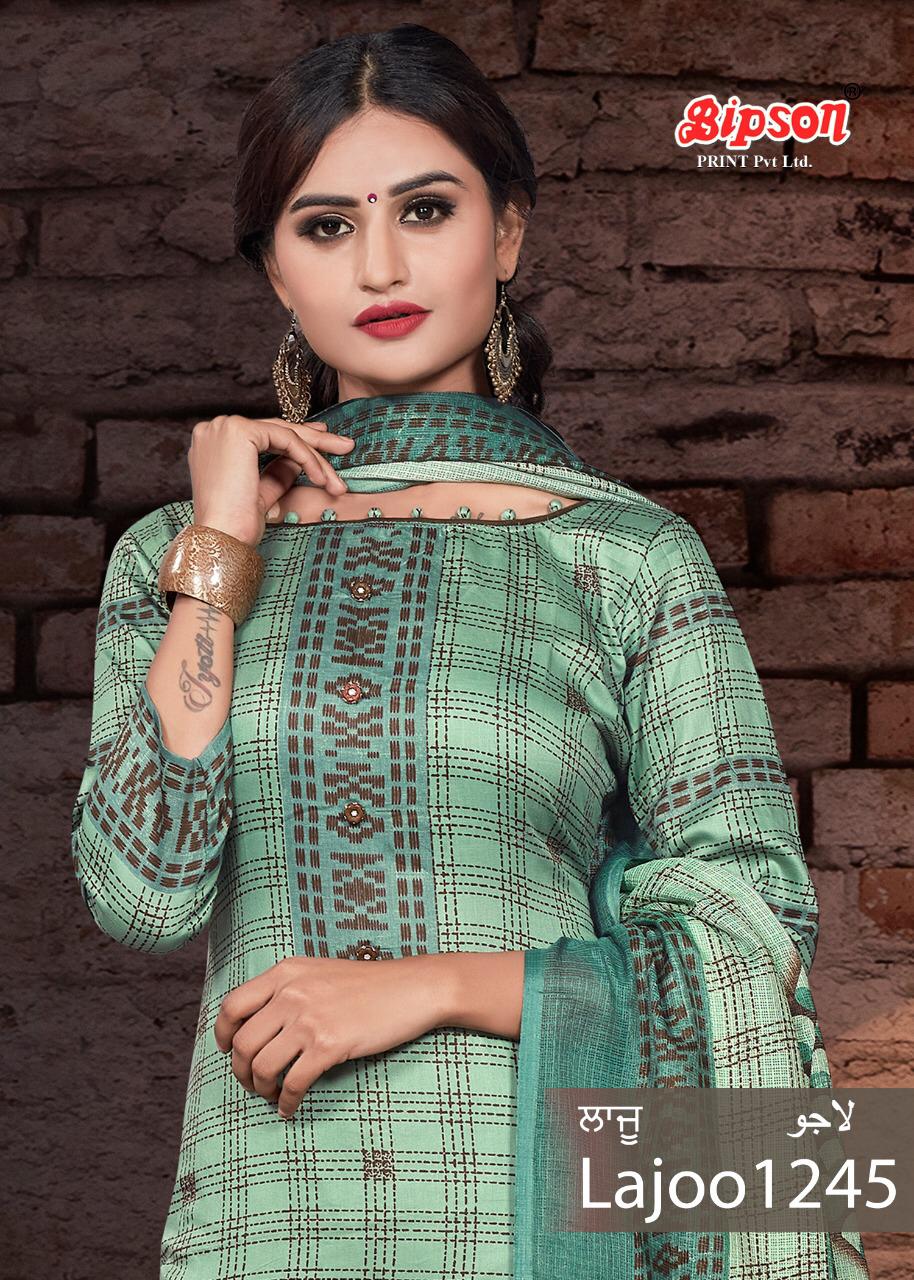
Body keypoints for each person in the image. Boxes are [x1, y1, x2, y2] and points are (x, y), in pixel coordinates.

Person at [69, 23, 870, 1280]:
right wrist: (219, 547)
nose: (379, 263)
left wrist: (432, 986)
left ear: (506, 234)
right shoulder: (173, 559)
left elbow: (755, 924)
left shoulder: (624, 553)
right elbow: (141, 890)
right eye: (325, 225)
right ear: (275, 271)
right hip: (260, 1222)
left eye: (426, 209)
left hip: (542, 1213)